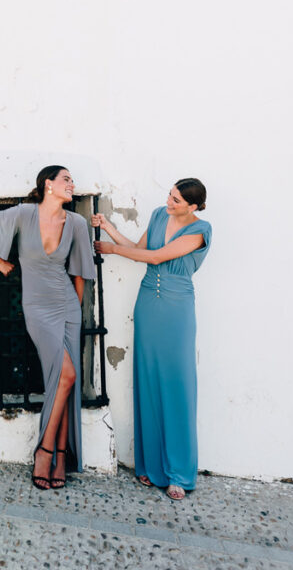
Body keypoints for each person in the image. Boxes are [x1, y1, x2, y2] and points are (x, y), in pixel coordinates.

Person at [92, 178, 211, 500]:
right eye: (170, 195)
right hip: (147, 302)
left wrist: (113, 249)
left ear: (193, 206)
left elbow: (158, 257)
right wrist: (109, 229)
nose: (169, 202)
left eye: (176, 200)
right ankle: (150, 466)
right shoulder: (160, 214)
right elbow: (142, 248)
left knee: (177, 384)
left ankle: (178, 473)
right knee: (147, 379)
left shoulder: (201, 229)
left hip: (176, 307)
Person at [0, 165, 96, 490]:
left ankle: (58, 454)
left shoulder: (76, 223)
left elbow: (79, 273)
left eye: (73, 179)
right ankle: (47, 449)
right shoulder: (24, 214)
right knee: (66, 376)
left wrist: (76, 313)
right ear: (48, 185)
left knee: (64, 380)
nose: (72, 184)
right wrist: (0, 260)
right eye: (66, 179)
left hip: (67, 306)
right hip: (38, 308)